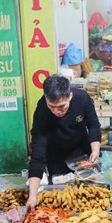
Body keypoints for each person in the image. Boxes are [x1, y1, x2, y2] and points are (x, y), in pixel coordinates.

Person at [25, 75, 101, 210]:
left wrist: (95, 150)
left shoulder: (82, 98)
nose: (56, 111)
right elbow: (38, 153)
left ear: (70, 96)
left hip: (82, 154)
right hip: (56, 156)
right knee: (63, 199)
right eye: (52, 106)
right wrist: (33, 196)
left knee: (86, 195)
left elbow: (93, 125)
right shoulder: (42, 110)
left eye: (61, 106)